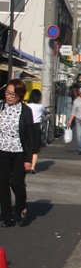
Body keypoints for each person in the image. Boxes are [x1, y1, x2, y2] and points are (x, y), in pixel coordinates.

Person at [0, 79, 34, 227]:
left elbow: (29, 136)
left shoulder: (26, 111)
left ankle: (21, 208)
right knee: (2, 185)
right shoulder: (1, 107)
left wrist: (29, 158)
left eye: (12, 94)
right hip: (3, 151)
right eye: (7, 93)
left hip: (19, 151)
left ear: (20, 95)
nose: (8, 96)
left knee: (17, 183)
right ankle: (7, 217)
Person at [26, 89, 46, 174]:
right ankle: (33, 167)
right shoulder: (40, 107)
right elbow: (45, 113)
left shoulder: (26, 106)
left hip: (27, 127)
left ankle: (25, 165)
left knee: (26, 146)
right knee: (35, 149)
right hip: (36, 127)